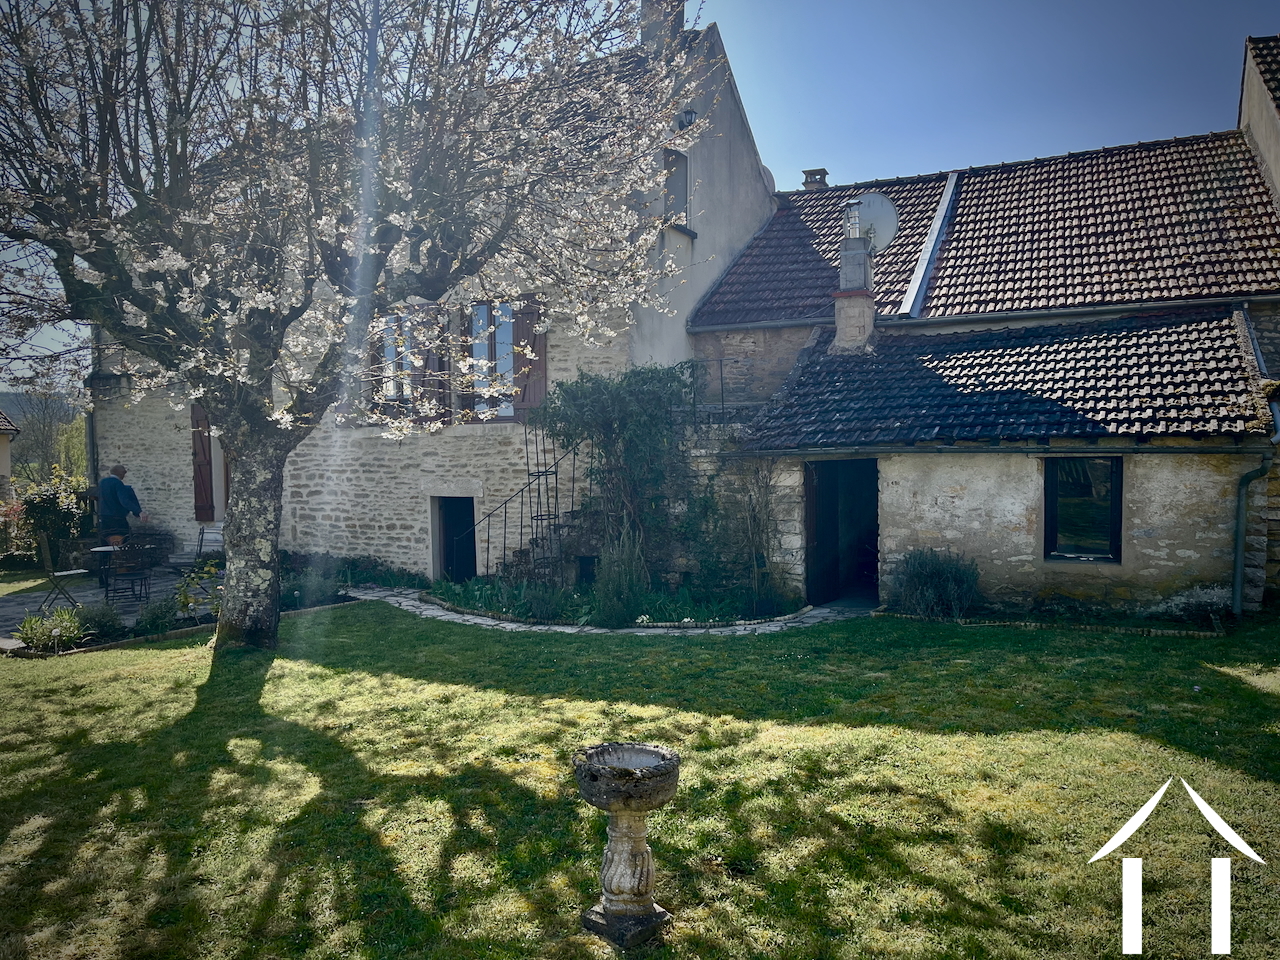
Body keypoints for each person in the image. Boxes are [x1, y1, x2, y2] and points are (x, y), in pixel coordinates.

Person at [98, 464, 148, 543]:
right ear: (120, 473)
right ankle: (122, 555)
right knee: (124, 540)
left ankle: (105, 555)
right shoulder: (118, 483)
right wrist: (139, 512)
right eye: (124, 472)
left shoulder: (102, 482)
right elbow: (124, 501)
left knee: (105, 541)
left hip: (104, 517)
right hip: (117, 518)